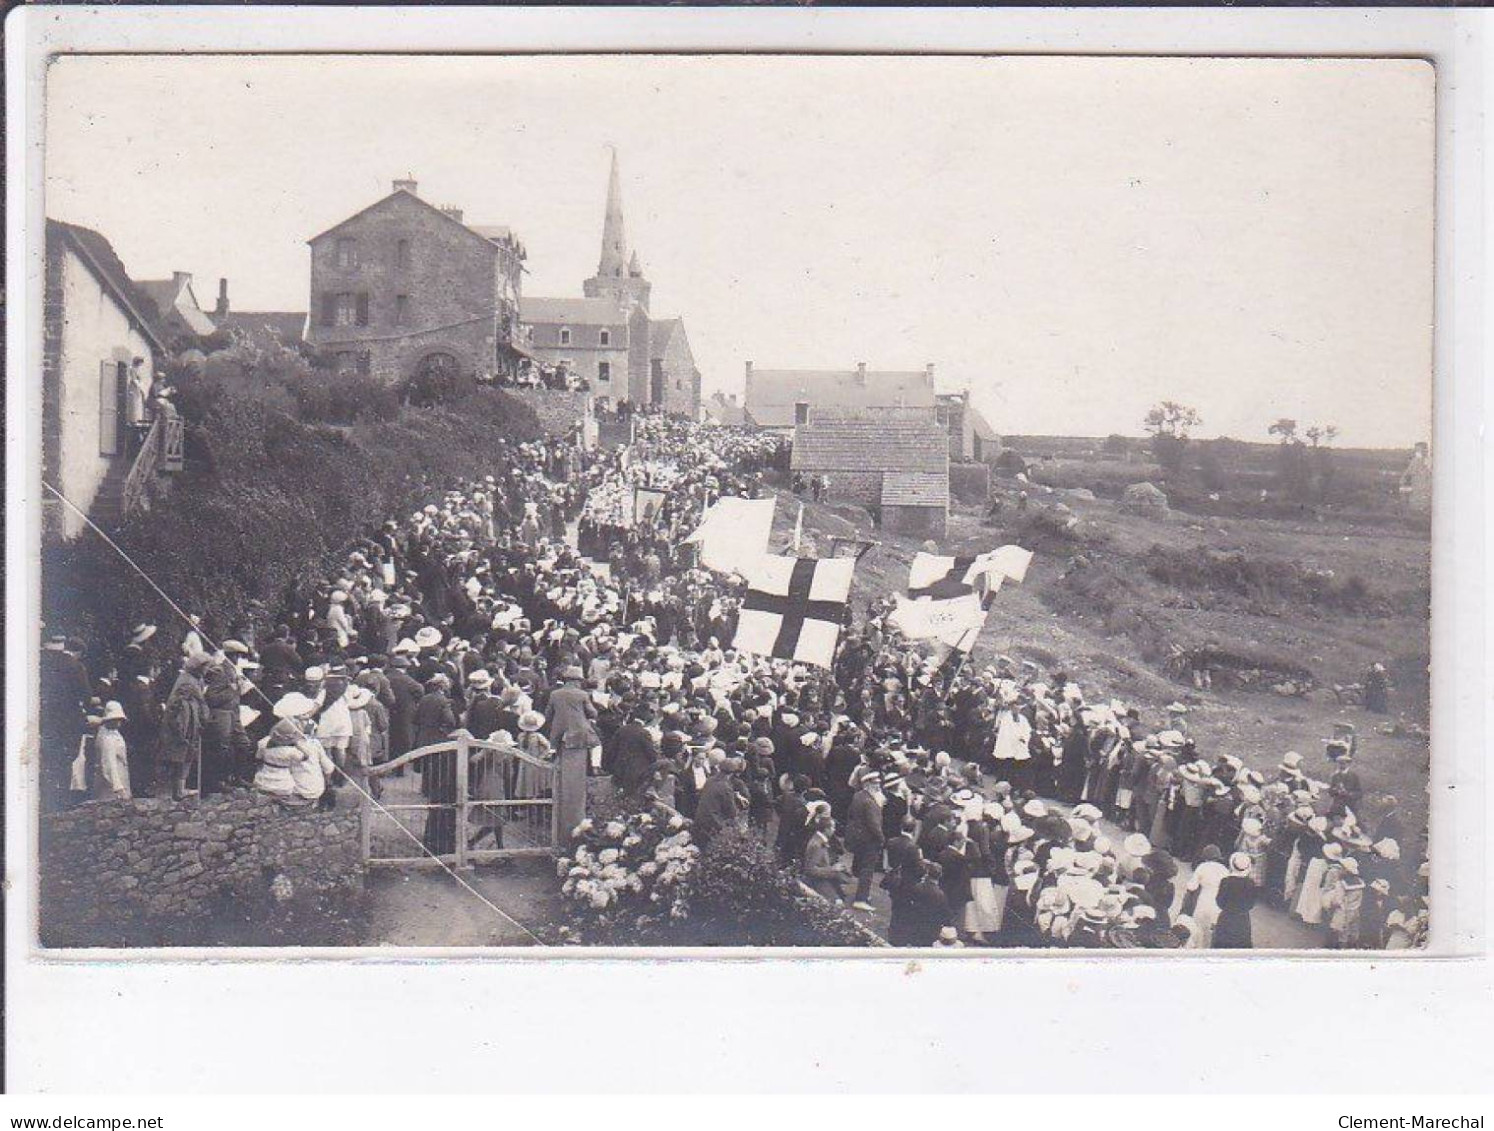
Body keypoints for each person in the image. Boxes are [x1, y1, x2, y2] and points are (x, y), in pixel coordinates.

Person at [159, 651, 212, 800]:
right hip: (184, 722)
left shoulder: (194, 679)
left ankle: (179, 788)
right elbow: (183, 703)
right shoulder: (187, 681)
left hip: (191, 721)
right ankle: (178, 790)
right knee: (181, 755)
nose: (207, 670)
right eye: (206, 667)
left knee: (186, 754)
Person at [845, 771, 886, 911]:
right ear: (868, 784)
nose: (878, 787)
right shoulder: (870, 802)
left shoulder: (858, 796)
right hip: (870, 839)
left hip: (858, 837)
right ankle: (861, 898)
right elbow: (874, 825)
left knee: (862, 867)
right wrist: (882, 839)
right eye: (875, 784)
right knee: (867, 870)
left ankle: (862, 894)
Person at [802, 811, 850, 903]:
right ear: (826, 829)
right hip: (817, 881)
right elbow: (810, 870)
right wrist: (833, 869)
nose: (834, 830)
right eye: (833, 827)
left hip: (824, 878)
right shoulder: (817, 844)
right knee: (837, 902)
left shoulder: (819, 840)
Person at [1213, 852, 1258, 948]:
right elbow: (1251, 904)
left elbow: (1219, 901)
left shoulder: (1225, 881)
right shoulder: (1250, 883)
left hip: (1226, 917)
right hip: (1242, 919)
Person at [91, 701, 132, 800]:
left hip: (121, 775)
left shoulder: (114, 733)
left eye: (119, 720)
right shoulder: (107, 737)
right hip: (112, 785)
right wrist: (118, 787)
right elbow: (109, 763)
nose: (118, 722)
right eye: (115, 719)